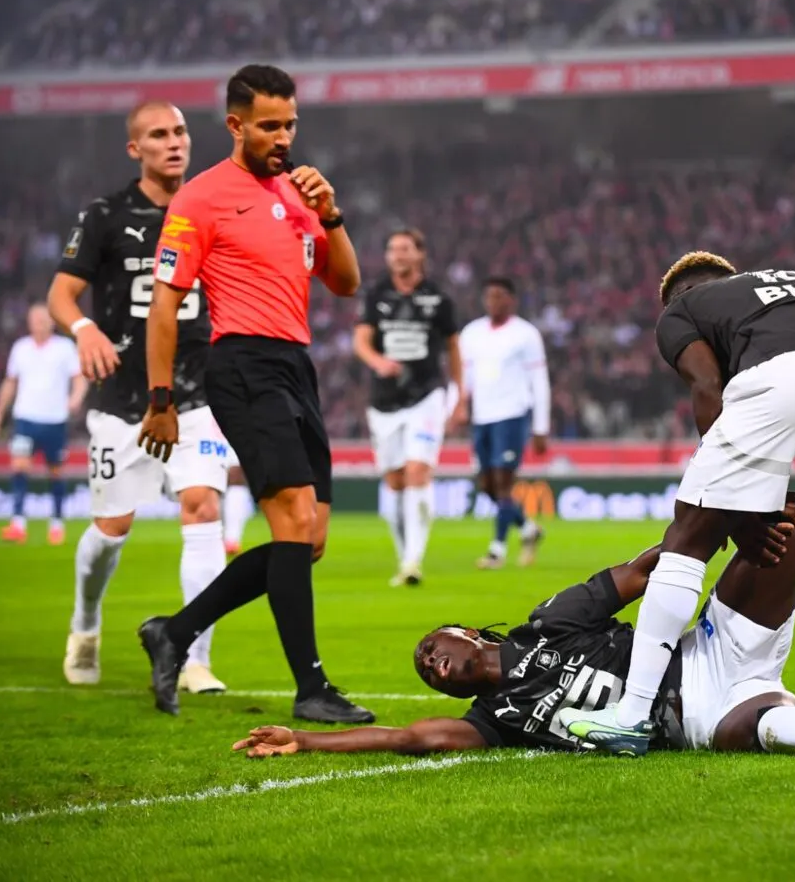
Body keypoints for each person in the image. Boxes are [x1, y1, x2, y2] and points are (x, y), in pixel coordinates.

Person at [232, 482, 795, 761]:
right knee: (788, 735)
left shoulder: (548, 623)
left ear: (471, 631)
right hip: (703, 716)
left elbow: (645, 568)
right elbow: (407, 737)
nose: (432, 662)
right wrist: (305, 739)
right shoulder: (496, 718)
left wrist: (722, 521)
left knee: (787, 520)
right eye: (426, 667)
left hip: (709, 648)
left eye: (433, 645)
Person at [558, 252, 795, 756]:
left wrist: (730, 506)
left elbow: (709, 386)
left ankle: (632, 715)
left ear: (681, 296)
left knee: (686, 538)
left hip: (782, 379)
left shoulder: (680, 310)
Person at [135, 63, 372, 724]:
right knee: (292, 521)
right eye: (269, 125)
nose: (283, 136)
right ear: (235, 124)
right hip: (241, 363)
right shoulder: (202, 198)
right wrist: (160, 398)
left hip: (296, 365)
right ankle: (312, 688)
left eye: (290, 123)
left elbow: (346, 282)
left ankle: (174, 632)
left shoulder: (301, 193)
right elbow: (165, 302)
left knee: (309, 537)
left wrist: (332, 215)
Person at [45, 100, 229, 693]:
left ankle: (195, 656)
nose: (174, 142)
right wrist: (84, 328)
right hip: (123, 400)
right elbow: (62, 294)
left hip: (196, 392)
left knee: (202, 506)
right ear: (135, 149)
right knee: (112, 529)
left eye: (179, 131)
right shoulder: (104, 215)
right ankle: (85, 623)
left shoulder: (213, 205)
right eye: (158, 134)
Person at [353, 228, 462, 587]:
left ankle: (414, 560)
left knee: (418, 470)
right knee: (395, 480)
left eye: (404, 249)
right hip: (384, 401)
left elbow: (453, 349)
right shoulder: (376, 295)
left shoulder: (438, 299)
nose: (397, 255)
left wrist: (459, 396)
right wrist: (378, 362)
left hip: (426, 395)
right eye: (392, 249)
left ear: (419, 255)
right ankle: (404, 557)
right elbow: (361, 342)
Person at [451, 276, 549, 570]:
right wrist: (457, 407)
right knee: (487, 486)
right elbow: (464, 376)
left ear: (511, 300)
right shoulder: (472, 333)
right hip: (482, 417)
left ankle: (497, 550)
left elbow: (539, 381)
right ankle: (529, 529)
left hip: (512, 415)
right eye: (489, 296)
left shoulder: (526, 334)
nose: (493, 302)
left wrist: (540, 426)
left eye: (499, 296)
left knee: (503, 483)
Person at [0, 304, 87, 546]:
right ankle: (18, 524)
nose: (39, 323)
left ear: (51, 322)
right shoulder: (20, 348)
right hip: (25, 419)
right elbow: (10, 382)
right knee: (19, 467)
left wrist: (75, 399)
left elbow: (79, 379)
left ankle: (56, 524)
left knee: (55, 471)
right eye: (35, 319)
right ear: (29, 322)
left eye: (43, 319)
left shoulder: (64, 348)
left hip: (54, 419)